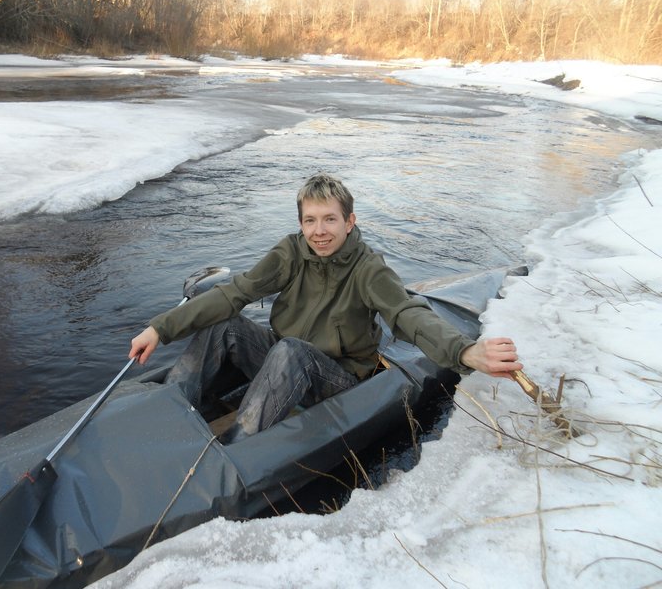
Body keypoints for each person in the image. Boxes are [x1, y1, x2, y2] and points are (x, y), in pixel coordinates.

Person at [129, 173, 522, 443]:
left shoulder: (369, 268)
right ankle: (164, 414)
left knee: (291, 350)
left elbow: (407, 313)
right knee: (226, 324)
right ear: (301, 223)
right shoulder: (290, 252)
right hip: (282, 359)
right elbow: (235, 292)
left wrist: (463, 351)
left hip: (335, 378)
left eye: (330, 219)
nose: (319, 231)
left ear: (349, 222)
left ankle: (232, 450)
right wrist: (161, 328)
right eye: (310, 221)